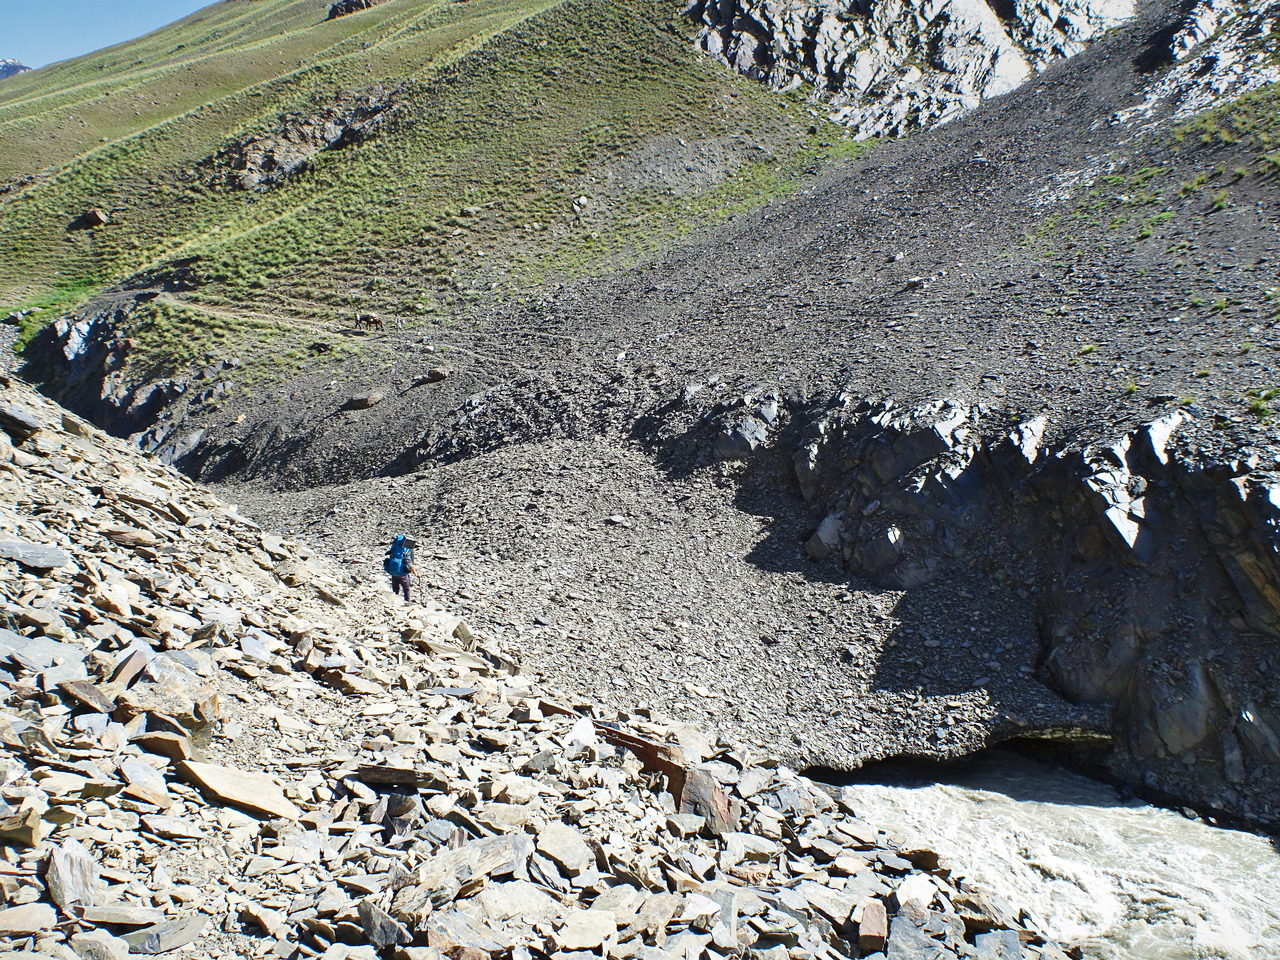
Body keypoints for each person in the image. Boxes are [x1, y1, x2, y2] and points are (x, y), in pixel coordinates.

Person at [384, 534, 415, 602]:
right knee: (406, 589)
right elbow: (410, 563)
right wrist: (415, 572)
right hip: (403, 573)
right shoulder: (406, 551)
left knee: (395, 588)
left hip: (393, 572)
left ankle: (394, 601)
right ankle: (407, 602)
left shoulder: (395, 547)